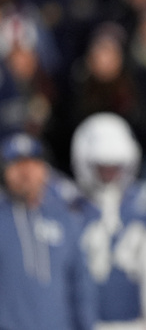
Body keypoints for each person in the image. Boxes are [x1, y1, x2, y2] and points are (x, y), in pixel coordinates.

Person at [71, 112, 146, 330]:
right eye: (102, 167)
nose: (110, 174)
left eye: (115, 167)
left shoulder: (145, 205)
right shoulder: (70, 207)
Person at [0, 132, 98, 330]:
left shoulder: (66, 220)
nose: (25, 172)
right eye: (16, 164)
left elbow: (81, 290)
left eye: (31, 163)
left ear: (45, 169)